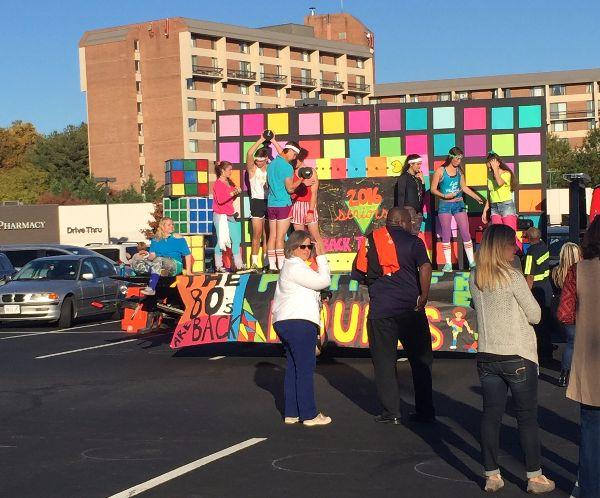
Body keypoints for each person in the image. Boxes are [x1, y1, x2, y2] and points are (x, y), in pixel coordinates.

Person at [469, 224, 555, 494]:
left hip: (487, 354)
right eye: (512, 245)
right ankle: (535, 476)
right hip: (516, 353)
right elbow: (535, 315)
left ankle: (491, 475)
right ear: (502, 247)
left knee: (490, 416)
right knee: (527, 417)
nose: (516, 249)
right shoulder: (513, 276)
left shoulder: (476, 276)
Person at [352, 207, 435, 425]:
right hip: (411, 309)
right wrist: (424, 295)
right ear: (403, 221)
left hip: (381, 312)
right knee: (421, 361)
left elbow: (359, 275)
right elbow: (425, 266)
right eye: (411, 222)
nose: (412, 226)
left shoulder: (370, 241)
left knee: (384, 363)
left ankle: (391, 412)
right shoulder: (414, 242)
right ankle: (425, 411)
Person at [557, 217, 600, 498]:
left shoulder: (577, 271)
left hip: (591, 366)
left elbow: (565, 314)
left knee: (591, 432)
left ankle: (590, 490)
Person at [271, 230, 332, 426]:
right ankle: (309, 414)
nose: (307, 250)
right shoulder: (295, 267)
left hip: (286, 321)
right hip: (299, 322)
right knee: (305, 368)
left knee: (294, 367)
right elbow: (324, 281)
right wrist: (321, 257)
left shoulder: (291, 267)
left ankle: (292, 412)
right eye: (303, 246)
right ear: (292, 248)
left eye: (310, 247)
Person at [431, 146, 484, 272]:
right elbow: (433, 189)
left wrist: (476, 197)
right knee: (446, 233)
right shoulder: (440, 171)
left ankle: (472, 262)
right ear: (451, 157)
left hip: (459, 204)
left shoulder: (460, 171)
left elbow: (464, 188)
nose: (459, 161)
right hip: (445, 205)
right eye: (457, 158)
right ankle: (448, 263)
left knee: (465, 232)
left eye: (461, 159)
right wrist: (444, 195)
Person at [266, 140, 315, 273]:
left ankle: (271, 265)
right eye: (294, 155)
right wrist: (302, 181)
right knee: (280, 236)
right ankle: (281, 266)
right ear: (291, 151)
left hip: (271, 204)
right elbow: (290, 189)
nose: (294, 158)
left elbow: (268, 185)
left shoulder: (270, 165)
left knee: (272, 236)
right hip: (283, 204)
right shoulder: (287, 167)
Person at [245, 134, 283, 271]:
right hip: (256, 202)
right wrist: (261, 139)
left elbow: (283, 156)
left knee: (269, 234)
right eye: (257, 161)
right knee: (257, 234)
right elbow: (249, 153)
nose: (258, 163)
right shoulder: (252, 169)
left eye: (260, 161)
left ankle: (267, 262)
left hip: (270, 201)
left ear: (266, 159)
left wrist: (273, 140)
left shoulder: (271, 168)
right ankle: (254, 262)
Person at [552, 242, 582, 387]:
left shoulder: (556, 271)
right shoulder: (580, 271)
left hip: (563, 310)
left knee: (570, 343)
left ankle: (563, 375)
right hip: (579, 310)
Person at [523, 227, 554, 364]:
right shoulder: (544, 247)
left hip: (537, 289)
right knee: (546, 318)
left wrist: (526, 293)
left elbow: (529, 275)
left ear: (529, 239)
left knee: (538, 322)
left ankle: (542, 352)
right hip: (547, 287)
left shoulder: (531, 252)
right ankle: (548, 348)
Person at [139, 217, 192, 296]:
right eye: (169, 225)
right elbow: (152, 256)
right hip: (160, 265)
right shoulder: (155, 240)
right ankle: (140, 284)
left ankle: (151, 288)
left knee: (159, 260)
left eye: (172, 225)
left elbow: (187, 255)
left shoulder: (179, 239)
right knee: (137, 261)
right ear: (162, 227)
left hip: (175, 265)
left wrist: (188, 271)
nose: (172, 226)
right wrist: (146, 256)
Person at [481, 151, 519, 248]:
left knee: (510, 235)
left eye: (490, 166)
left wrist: (495, 169)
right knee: (497, 236)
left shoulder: (506, 174)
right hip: (494, 207)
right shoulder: (489, 176)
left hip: (506, 206)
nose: (489, 169)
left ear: (497, 163)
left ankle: (517, 256)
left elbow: (499, 183)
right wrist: (485, 210)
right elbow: (491, 193)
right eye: (488, 167)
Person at [212, 161, 245, 273]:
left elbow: (229, 200)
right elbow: (221, 200)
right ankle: (218, 265)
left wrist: (236, 193)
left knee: (236, 240)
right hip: (221, 216)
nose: (231, 172)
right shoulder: (217, 184)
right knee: (221, 241)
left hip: (230, 215)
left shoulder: (228, 182)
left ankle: (239, 265)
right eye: (229, 169)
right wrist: (232, 193)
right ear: (222, 171)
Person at [291, 149, 324, 254]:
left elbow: (314, 193)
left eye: (296, 159)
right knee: (299, 238)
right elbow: (290, 193)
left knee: (315, 237)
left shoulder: (311, 171)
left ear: (300, 159)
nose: (294, 161)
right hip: (296, 205)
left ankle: (322, 262)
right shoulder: (290, 172)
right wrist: (303, 184)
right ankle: (301, 263)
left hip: (309, 205)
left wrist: (310, 212)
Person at [394, 154, 426, 235]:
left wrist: (422, 181)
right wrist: (401, 214)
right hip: (408, 210)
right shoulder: (404, 177)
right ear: (411, 164)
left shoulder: (417, 178)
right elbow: (400, 195)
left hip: (418, 212)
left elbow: (423, 194)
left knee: (415, 236)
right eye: (417, 164)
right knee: (408, 235)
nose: (419, 166)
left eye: (420, 164)